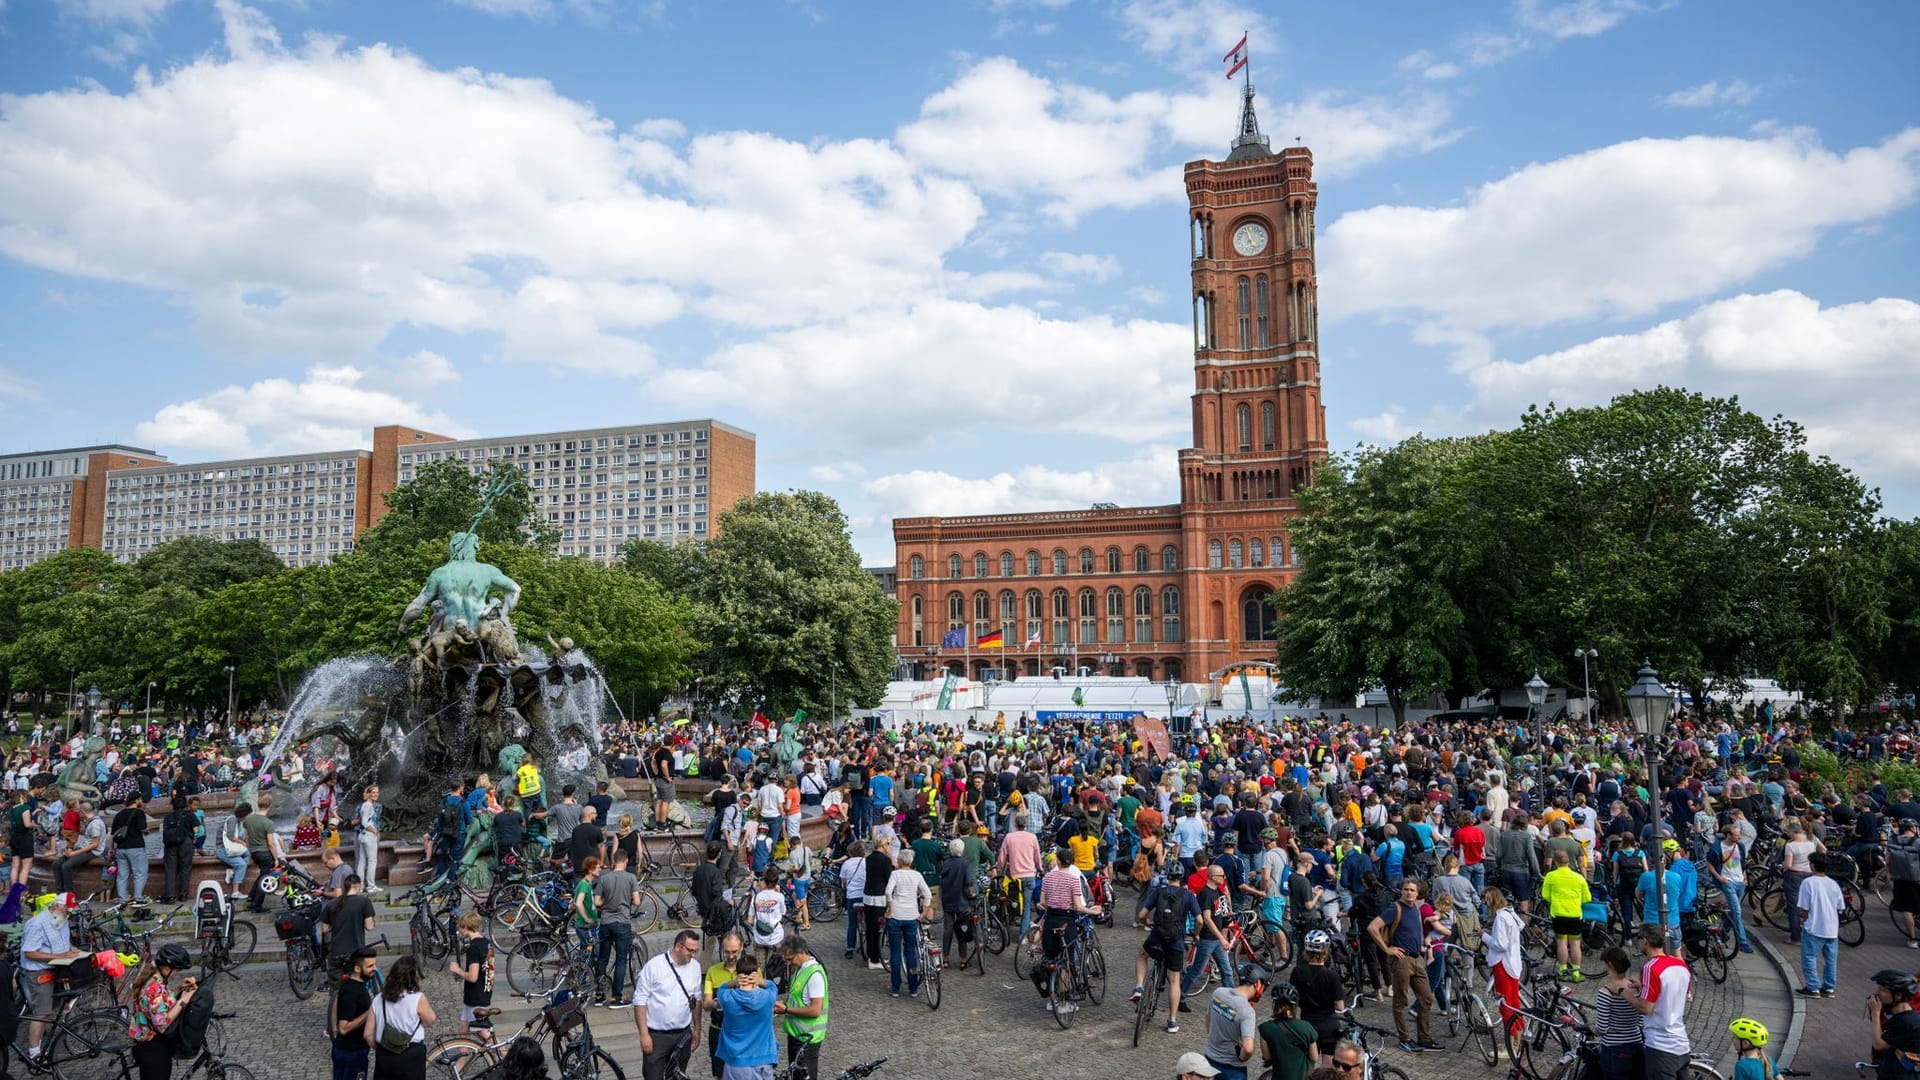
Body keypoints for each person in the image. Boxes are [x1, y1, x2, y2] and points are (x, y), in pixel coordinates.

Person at [1369, 878, 1439, 1053]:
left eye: (1412, 890)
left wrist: (1422, 947)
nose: (1409, 892)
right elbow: (1373, 927)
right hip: (1401, 960)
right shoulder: (1395, 908)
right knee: (1401, 1001)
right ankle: (1405, 1039)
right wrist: (1387, 949)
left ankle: (1424, 1038)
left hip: (1417, 959)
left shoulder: (1415, 908)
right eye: (1406, 889)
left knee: (1426, 998)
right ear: (1402, 891)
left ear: (1417, 893)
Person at [20, 891, 87, 1056]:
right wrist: (59, 956)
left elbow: (64, 941)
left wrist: (76, 952)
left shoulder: (60, 918)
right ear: (57, 905)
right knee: (41, 1012)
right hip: (40, 971)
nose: (69, 913)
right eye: (67, 909)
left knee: (52, 1007)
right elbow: (29, 952)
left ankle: (42, 1038)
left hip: (57, 967)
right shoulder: (37, 924)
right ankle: (34, 1052)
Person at [633, 929, 705, 1080]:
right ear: (679, 947)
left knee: (678, 1076)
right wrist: (644, 1034)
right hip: (657, 1036)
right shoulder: (654, 966)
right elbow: (640, 1001)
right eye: (690, 950)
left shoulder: (695, 967)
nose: (693, 955)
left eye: (695, 951)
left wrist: (697, 1029)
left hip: (683, 1035)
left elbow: (696, 1000)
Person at [125, 942, 198, 1080]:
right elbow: (162, 1024)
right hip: (154, 1050)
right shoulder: (154, 988)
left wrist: (179, 989)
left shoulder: (153, 979)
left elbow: (160, 1003)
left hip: (145, 1045)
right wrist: (184, 1000)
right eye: (176, 969)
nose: (176, 973)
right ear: (166, 967)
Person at [1630, 923, 1691, 1080]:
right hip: (1682, 1044)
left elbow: (1645, 1008)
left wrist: (1624, 993)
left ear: (1644, 941)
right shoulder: (1681, 965)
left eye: (1638, 939)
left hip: (1661, 1046)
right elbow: (1673, 992)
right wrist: (1643, 986)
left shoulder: (1651, 967)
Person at [366, 955, 435, 1080]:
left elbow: (368, 1034)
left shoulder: (378, 999)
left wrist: (382, 1050)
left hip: (385, 1055)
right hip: (411, 1056)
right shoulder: (417, 998)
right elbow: (431, 1020)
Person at [713, 953, 777, 1080]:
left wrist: (733, 982)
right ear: (756, 973)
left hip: (736, 1062)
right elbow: (772, 986)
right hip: (763, 1059)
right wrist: (760, 981)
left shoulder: (728, 998)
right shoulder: (768, 997)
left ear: (738, 974)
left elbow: (721, 989)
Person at [1202, 963, 1270, 1080]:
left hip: (1209, 1060)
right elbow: (1248, 1049)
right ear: (1257, 983)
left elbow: (1208, 1024)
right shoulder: (1247, 1010)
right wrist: (1241, 1057)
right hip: (1232, 1070)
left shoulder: (1218, 993)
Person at [774, 936, 828, 1080]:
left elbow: (815, 1010)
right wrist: (784, 1005)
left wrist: (786, 1010)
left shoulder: (814, 975)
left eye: (790, 959)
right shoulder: (800, 969)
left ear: (801, 953)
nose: (788, 963)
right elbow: (798, 999)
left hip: (808, 1040)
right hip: (796, 1036)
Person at [594, 847, 643, 1007]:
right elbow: (637, 901)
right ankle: (616, 998)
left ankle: (599, 995)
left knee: (602, 959)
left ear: (613, 861)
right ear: (626, 861)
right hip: (622, 922)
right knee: (621, 960)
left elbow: (597, 902)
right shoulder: (631, 877)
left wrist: (608, 901)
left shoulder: (604, 878)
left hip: (606, 923)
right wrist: (626, 898)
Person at [883, 848, 930, 998]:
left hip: (896, 915)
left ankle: (895, 988)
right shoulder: (917, 875)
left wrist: (890, 907)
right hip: (911, 916)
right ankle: (913, 987)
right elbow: (927, 894)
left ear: (901, 860)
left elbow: (888, 891)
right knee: (910, 952)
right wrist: (923, 913)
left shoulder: (895, 874)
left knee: (895, 952)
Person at [1794, 853, 1843, 998]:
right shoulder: (1833, 884)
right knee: (1831, 959)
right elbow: (1840, 906)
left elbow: (1804, 907)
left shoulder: (1808, 883)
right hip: (1832, 927)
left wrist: (1803, 921)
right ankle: (1829, 987)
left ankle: (1813, 986)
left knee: (1809, 957)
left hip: (1814, 926)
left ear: (1813, 865)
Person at [1540, 850, 1591, 981]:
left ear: (1556, 862)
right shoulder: (1578, 877)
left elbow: (1545, 895)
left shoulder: (1551, 876)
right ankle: (1576, 973)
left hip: (1558, 913)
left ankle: (1563, 971)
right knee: (1575, 944)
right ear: (1569, 861)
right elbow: (1587, 898)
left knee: (1561, 943)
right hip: (1574, 914)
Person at [1592, 946, 1642, 1080]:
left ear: (1609, 965)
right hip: (1637, 1043)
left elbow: (1602, 1028)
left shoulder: (1606, 991)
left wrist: (1592, 1028)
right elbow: (1641, 1021)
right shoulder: (1636, 986)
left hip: (1614, 1049)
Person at [329, 947, 379, 1080]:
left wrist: (333, 1028)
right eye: (370, 966)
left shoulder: (352, 984)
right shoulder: (352, 991)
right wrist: (370, 1012)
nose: (375, 968)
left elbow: (336, 1003)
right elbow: (344, 1028)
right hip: (351, 1053)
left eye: (375, 964)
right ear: (357, 969)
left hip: (350, 1050)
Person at [1483, 887, 1525, 1045]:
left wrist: (1484, 936)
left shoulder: (1500, 918)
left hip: (1503, 964)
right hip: (1514, 963)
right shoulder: (1510, 913)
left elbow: (1500, 944)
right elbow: (1520, 926)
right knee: (1514, 1001)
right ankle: (1518, 1035)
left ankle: (1512, 1041)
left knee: (1505, 1004)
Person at [701, 932, 745, 1080]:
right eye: (727, 952)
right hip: (718, 1030)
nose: (731, 956)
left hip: (742, 1032)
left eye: (734, 952)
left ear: (741, 948)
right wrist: (721, 1002)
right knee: (720, 1074)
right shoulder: (713, 971)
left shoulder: (751, 970)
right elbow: (706, 1004)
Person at [1257, 981, 1320, 1080]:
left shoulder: (1265, 1029)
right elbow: (1314, 1057)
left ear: (1275, 1004)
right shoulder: (1307, 1027)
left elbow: (1267, 1057)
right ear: (1294, 1006)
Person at [448, 912, 495, 1038]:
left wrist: (458, 970)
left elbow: (473, 977)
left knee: (483, 1033)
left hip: (476, 996)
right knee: (463, 1029)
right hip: (484, 991)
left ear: (465, 927)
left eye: (460, 928)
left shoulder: (473, 948)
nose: (459, 931)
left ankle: (506, 1055)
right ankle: (462, 1057)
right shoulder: (486, 943)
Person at [1868, 967, 1920, 1080]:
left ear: (1898, 995)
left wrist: (1875, 1013)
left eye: (1882, 990)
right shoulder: (1901, 1016)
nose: (1877, 993)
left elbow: (1879, 1045)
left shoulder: (1907, 1021)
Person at [1710, 824, 1753, 954]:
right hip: (1727, 881)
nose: (1739, 836)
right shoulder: (1717, 848)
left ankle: (1722, 932)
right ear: (1728, 835)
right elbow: (1709, 863)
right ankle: (1742, 942)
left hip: (1740, 881)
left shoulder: (1740, 846)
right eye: (1736, 834)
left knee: (1734, 911)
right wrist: (1719, 877)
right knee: (1737, 911)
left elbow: (1742, 863)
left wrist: (1744, 877)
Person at [937, 838, 977, 967]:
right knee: (962, 929)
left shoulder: (946, 863)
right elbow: (969, 883)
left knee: (947, 929)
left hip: (948, 899)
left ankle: (946, 957)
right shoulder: (965, 863)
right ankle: (963, 959)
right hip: (962, 901)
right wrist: (972, 895)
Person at [325, 874, 377, 965]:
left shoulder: (331, 904)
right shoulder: (364, 902)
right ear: (357, 886)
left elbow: (325, 929)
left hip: (336, 952)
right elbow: (369, 927)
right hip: (356, 951)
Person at [56, 801, 104, 893]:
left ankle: (69, 894)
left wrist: (74, 853)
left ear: (82, 812)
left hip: (93, 851)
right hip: (84, 848)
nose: (78, 815)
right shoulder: (89, 821)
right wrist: (70, 849)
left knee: (66, 866)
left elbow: (94, 844)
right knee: (56, 864)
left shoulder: (95, 824)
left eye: (78, 813)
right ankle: (60, 893)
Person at [1888, 818, 1920, 947]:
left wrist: (1891, 874)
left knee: (1906, 909)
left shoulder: (1892, 841)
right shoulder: (1917, 842)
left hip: (1900, 879)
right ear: (1913, 828)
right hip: (1917, 878)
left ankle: (1912, 939)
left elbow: (1887, 861)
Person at [158, 796, 195, 903]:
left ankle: (170, 896)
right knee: (185, 869)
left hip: (170, 845)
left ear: (173, 805)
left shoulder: (168, 817)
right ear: (185, 805)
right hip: (185, 844)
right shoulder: (189, 815)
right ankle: (183, 895)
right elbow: (197, 830)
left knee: (170, 870)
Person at [748, 867, 786, 956]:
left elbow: (750, 920)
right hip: (775, 937)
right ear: (776, 882)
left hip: (759, 938)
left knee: (760, 968)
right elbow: (783, 912)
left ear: (764, 881)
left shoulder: (756, 897)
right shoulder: (779, 897)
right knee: (774, 967)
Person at [354, 784, 382, 895]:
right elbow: (365, 822)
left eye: (377, 792)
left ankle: (360, 886)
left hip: (362, 835)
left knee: (362, 861)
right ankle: (371, 886)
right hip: (369, 836)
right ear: (369, 794)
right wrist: (374, 830)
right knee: (372, 861)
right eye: (373, 792)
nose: (376, 794)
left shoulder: (365, 805)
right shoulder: (368, 806)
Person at [573, 855, 602, 959]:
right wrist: (586, 918)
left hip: (589, 925)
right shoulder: (584, 884)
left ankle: (584, 972)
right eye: (597, 867)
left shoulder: (588, 884)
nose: (600, 869)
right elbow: (578, 903)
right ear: (589, 870)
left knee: (587, 952)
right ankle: (583, 974)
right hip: (585, 926)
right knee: (588, 955)